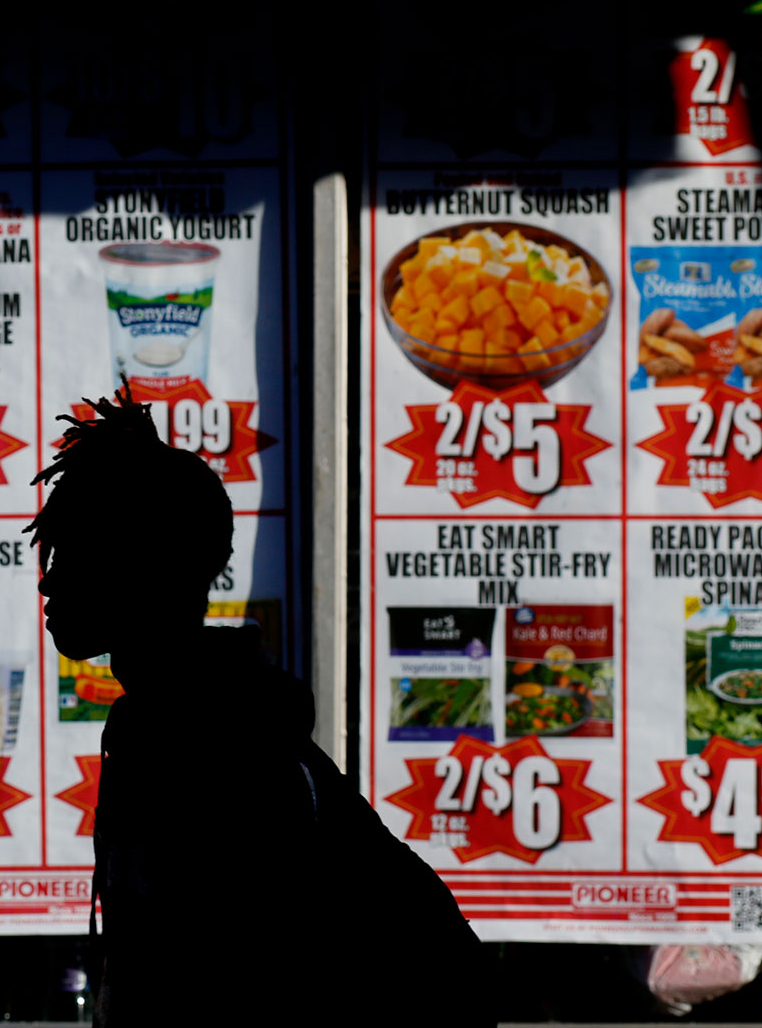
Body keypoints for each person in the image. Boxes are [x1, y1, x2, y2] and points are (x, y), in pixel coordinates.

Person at [29, 385, 495, 1026]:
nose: (49, 578)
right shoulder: (186, 727)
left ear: (144, 568)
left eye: (75, 552)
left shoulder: (216, 754)